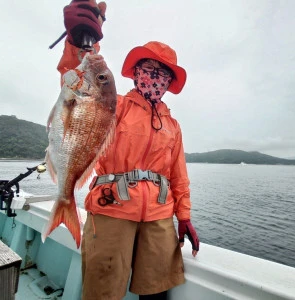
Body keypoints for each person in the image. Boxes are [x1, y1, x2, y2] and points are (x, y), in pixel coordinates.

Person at [58, 1, 199, 299]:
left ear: (169, 83)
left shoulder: (173, 125)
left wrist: (183, 215)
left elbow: (179, 175)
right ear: (135, 72)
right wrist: (79, 42)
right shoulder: (114, 104)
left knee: (157, 291)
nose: (155, 77)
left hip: (160, 215)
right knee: (103, 291)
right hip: (112, 208)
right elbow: (79, 82)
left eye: (163, 73)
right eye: (148, 69)